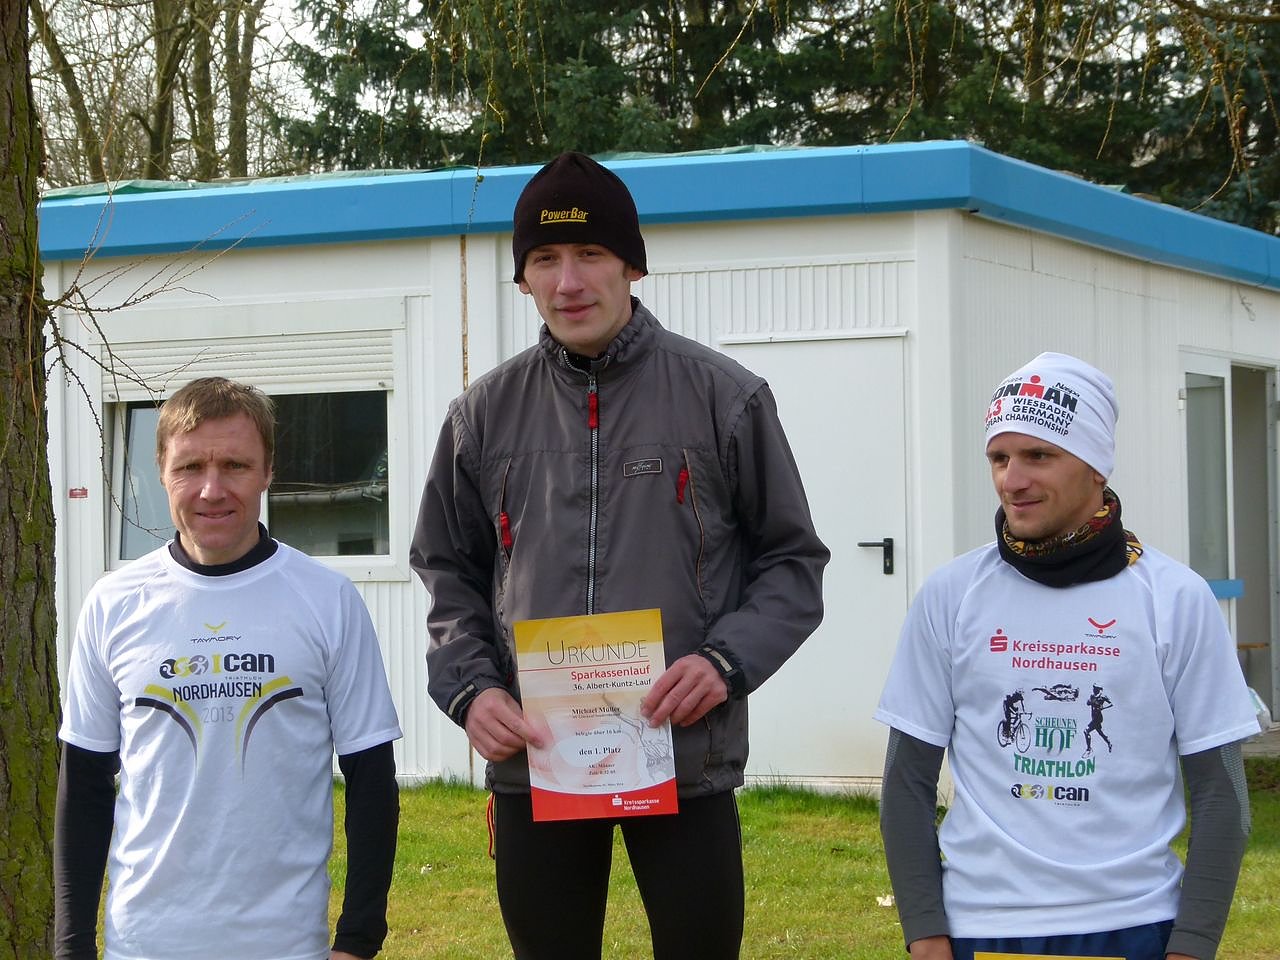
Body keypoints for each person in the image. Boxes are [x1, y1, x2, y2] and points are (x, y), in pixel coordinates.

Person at [410, 151, 829, 959]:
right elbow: (446, 571)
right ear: (523, 279)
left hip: (685, 753)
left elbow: (791, 561)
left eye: (591, 253)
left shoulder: (725, 398)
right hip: (538, 761)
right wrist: (470, 689)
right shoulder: (481, 416)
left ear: (633, 265)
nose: (568, 281)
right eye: (544, 259)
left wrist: (724, 663)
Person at [875, 352, 1260, 960]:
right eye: (999, 458)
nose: (1012, 480)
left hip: (1134, 923)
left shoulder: (1175, 599)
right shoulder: (952, 595)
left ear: (1096, 466)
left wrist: (1192, 945)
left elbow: (1222, 796)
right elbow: (906, 783)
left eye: (1039, 455)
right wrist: (925, 934)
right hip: (982, 924)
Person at [55, 377, 402, 960]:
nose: (211, 489)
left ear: (268, 471)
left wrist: (358, 941)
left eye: (235, 465)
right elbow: (84, 788)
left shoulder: (328, 600)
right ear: (161, 471)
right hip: (143, 945)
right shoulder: (113, 604)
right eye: (190, 466)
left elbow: (371, 782)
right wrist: (71, 948)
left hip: (287, 945)